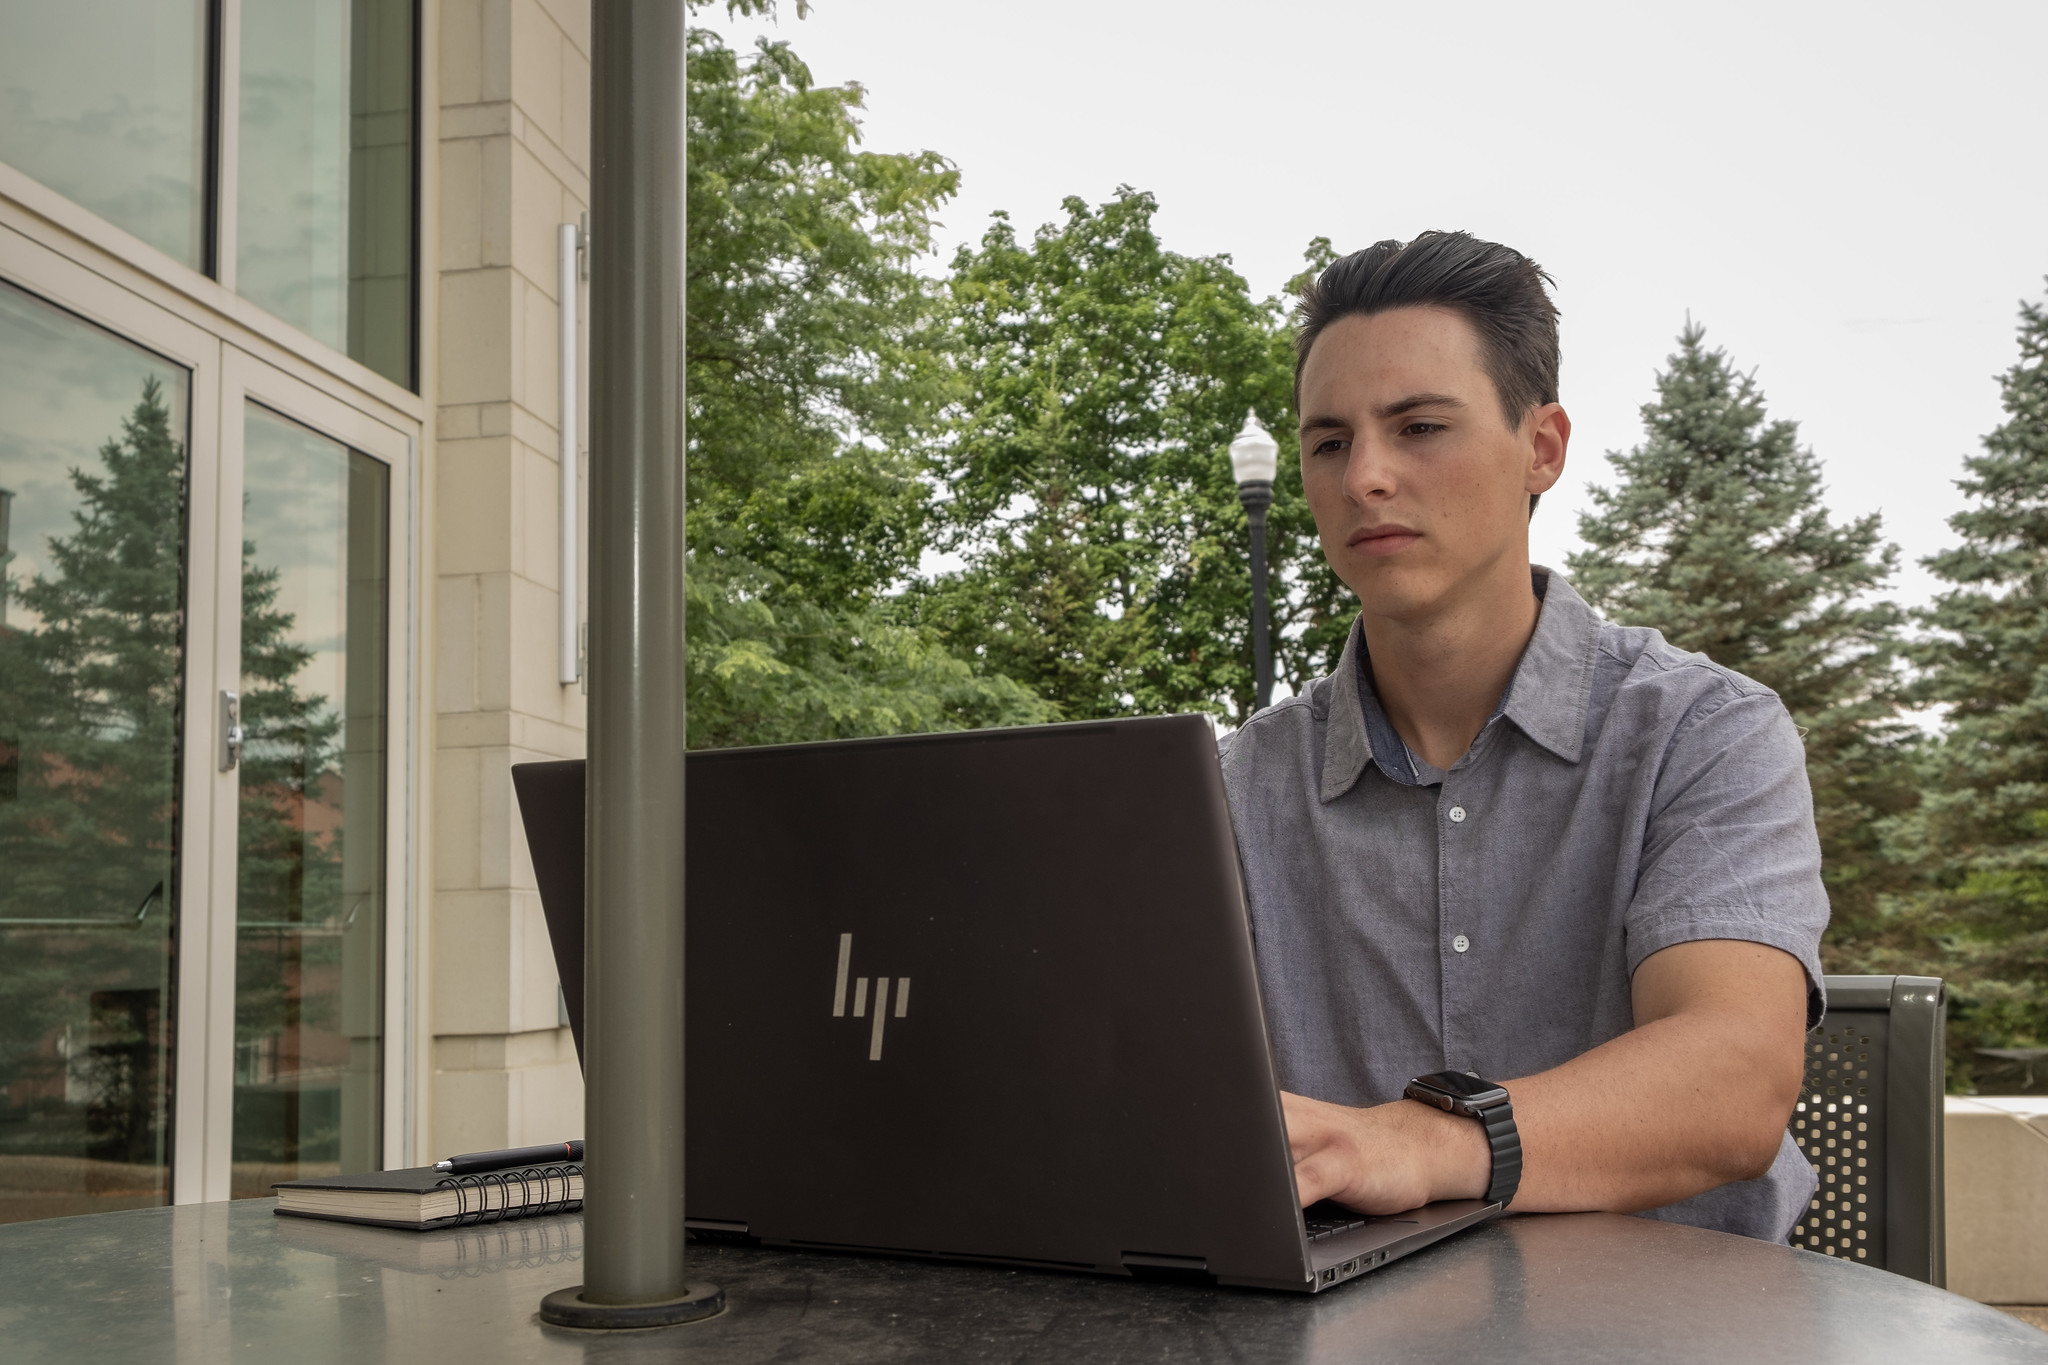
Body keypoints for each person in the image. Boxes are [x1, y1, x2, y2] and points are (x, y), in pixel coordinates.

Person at [1218, 231, 1827, 1241]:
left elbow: (1730, 1080)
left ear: (1540, 448)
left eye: (1417, 427)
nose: (1364, 475)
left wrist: (1417, 1145)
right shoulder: (1236, 787)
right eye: (1328, 441)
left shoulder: (1702, 732)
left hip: (1674, 1336)